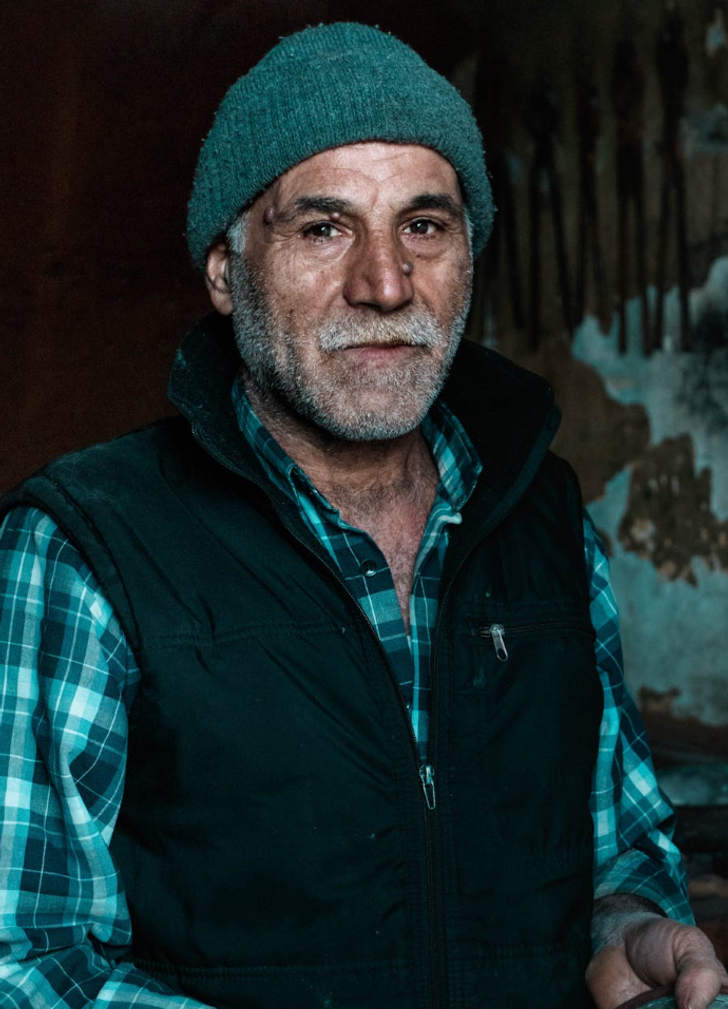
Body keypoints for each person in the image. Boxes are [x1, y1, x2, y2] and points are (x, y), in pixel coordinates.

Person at [0, 21, 725, 1009]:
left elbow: (616, 845)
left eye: (423, 226)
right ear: (225, 271)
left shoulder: (544, 518)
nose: (385, 284)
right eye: (323, 228)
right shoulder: (85, 547)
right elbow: (27, 962)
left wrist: (625, 930)